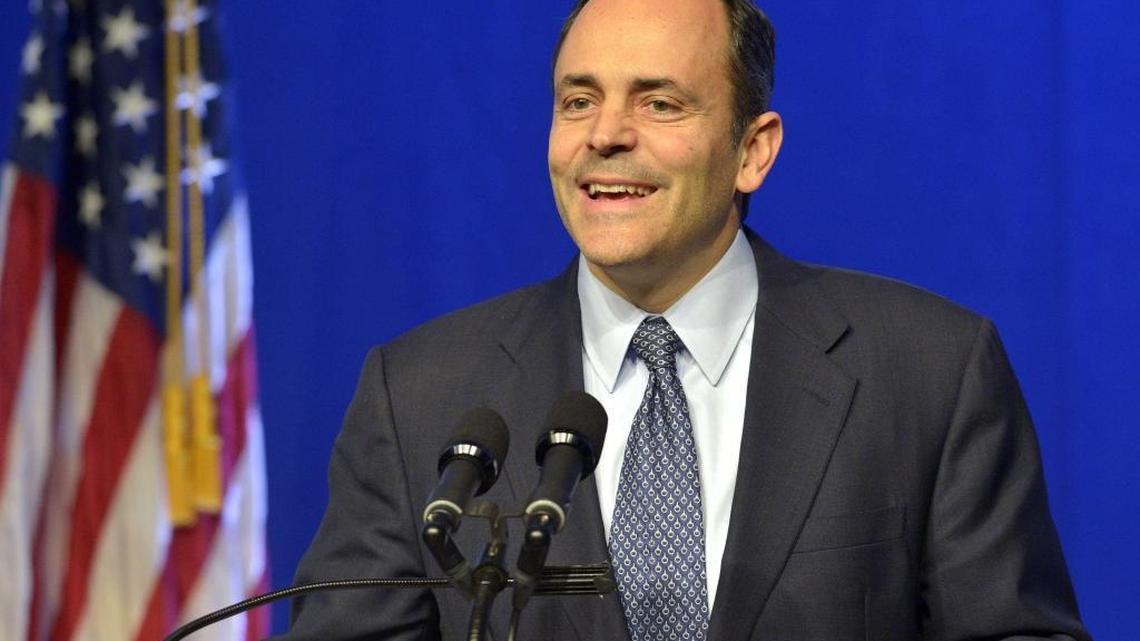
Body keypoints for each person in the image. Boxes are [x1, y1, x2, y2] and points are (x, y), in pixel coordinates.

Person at [271, 1, 1090, 640]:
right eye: (578, 99)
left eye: (659, 103)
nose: (605, 136)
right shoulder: (418, 393)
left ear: (752, 151)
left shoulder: (930, 371)